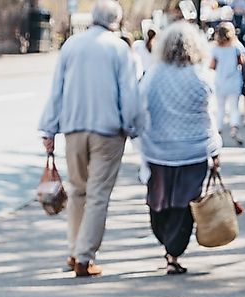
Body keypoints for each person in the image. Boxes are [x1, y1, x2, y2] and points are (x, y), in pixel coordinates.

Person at [39, 0, 142, 277]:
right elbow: (129, 95)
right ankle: (85, 257)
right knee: (97, 196)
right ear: (116, 21)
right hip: (107, 133)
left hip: (73, 130)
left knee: (78, 192)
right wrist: (134, 128)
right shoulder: (119, 48)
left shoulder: (71, 45)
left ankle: (74, 251)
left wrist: (49, 130)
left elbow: (56, 91)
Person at [140, 22, 223, 275]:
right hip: (193, 152)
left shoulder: (152, 76)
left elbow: (139, 110)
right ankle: (174, 250)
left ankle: (169, 247)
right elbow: (210, 118)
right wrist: (215, 150)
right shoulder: (203, 77)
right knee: (184, 204)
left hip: (158, 152)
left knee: (159, 201)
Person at [210, 22, 245, 145]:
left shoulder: (215, 49)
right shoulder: (236, 47)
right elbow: (242, 61)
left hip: (220, 81)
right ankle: (234, 127)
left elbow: (212, 65)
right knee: (234, 107)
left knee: (220, 108)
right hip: (234, 80)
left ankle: (218, 130)